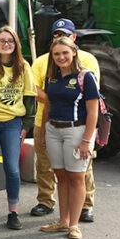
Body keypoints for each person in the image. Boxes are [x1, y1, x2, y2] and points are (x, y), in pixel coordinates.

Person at [30, 18, 99, 224]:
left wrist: (87, 138)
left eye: (65, 36)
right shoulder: (44, 65)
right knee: (48, 168)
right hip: (49, 123)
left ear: (74, 39)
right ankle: (48, 204)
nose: (61, 42)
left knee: (80, 171)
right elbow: (34, 89)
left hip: (77, 127)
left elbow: (92, 104)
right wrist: (44, 126)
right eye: (57, 36)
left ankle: (83, 209)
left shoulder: (88, 64)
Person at [0, 26, 36, 230]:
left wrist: (26, 126)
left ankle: (13, 212)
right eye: (2, 41)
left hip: (13, 123)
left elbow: (30, 98)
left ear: (16, 44)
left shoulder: (24, 67)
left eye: (10, 41)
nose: (6, 44)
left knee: (12, 167)